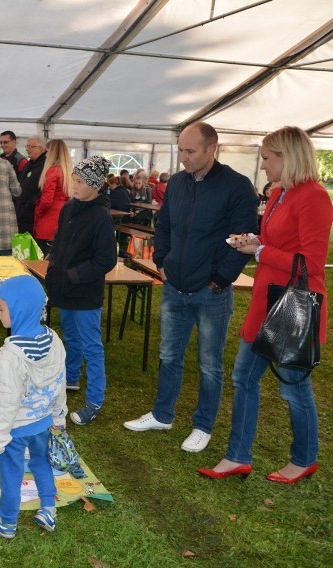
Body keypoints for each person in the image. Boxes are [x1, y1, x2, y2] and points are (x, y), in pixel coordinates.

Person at [197, 126, 332, 483]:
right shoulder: (279, 193)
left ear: (288, 157)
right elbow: (277, 243)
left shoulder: (314, 197)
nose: (263, 164)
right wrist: (255, 241)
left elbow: (311, 265)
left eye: (268, 158)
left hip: (293, 308)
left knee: (293, 387)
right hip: (266, 302)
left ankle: (304, 459)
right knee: (243, 378)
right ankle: (237, 456)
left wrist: (260, 250)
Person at [124, 121, 259, 452]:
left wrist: (220, 280)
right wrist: (162, 263)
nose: (182, 157)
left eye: (189, 151)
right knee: (169, 354)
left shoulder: (237, 186)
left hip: (211, 292)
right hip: (174, 285)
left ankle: (203, 425)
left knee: (209, 362)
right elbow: (165, 224)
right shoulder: (179, 183)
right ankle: (162, 414)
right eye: (180, 150)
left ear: (211, 149)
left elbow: (245, 237)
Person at [0, 274, 67, 539]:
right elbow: (60, 381)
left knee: (11, 473)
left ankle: (8, 521)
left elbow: (3, 402)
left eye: (1, 307)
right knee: (41, 464)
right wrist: (58, 413)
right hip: (42, 422)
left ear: (20, 309)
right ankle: (48, 508)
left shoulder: (9, 358)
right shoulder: (55, 341)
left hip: (16, 429)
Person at [46, 156, 116, 425]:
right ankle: (71, 377)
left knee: (91, 345)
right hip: (65, 289)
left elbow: (106, 259)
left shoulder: (100, 217)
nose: (73, 185)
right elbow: (61, 241)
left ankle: (95, 400)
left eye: (79, 181)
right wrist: (54, 266)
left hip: (85, 294)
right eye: (73, 179)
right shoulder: (69, 208)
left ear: (95, 184)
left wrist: (76, 274)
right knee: (70, 337)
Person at [33, 139, 73, 257]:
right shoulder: (67, 171)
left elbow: (46, 200)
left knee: (43, 257)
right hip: (63, 216)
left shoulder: (52, 171)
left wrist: (38, 212)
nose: (46, 154)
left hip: (48, 219)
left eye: (47, 151)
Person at [14, 136, 47, 235]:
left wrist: (29, 205)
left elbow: (43, 191)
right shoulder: (29, 163)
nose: (27, 149)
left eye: (30, 146)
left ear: (40, 149)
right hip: (22, 214)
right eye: (26, 146)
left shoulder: (45, 166)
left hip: (32, 216)